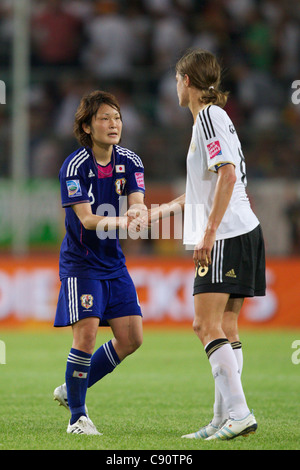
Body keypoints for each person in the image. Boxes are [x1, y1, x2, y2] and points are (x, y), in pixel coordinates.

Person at [138, 49, 266, 440]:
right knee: (225, 326)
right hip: (242, 230)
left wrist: (207, 233)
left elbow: (227, 176)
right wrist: (155, 214)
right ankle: (223, 418)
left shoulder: (208, 118)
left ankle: (240, 413)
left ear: (187, 82)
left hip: (226, 233)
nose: (175, 86)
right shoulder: (210, 122)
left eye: (177, 79)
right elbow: (202, 189)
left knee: (203, 324)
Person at [53, 90, 146, 435]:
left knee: (132, 338)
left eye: (117, 117)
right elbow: (88, 220)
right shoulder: (74, 166)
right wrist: (125, 222)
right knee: (86, 337)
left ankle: (70, 389)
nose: (113, 124)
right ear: (87, 126)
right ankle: (77, 417)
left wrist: (137, 211)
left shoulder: (131, 160)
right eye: (104, 118)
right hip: (82, 263)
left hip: (113, 263)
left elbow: (136, 199)